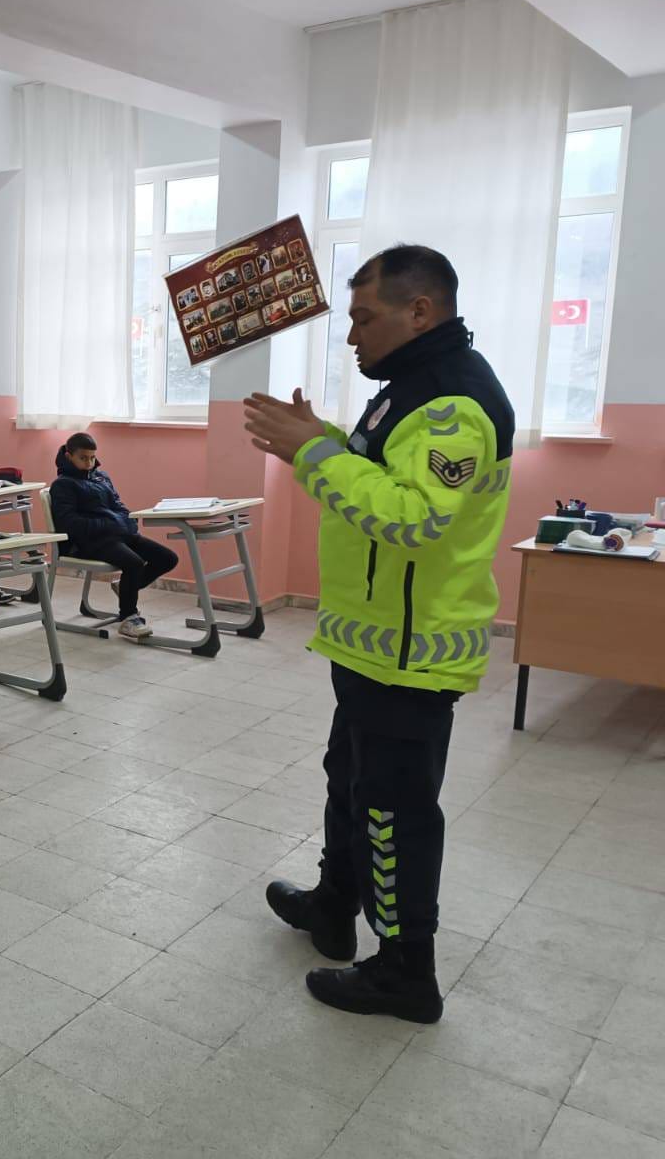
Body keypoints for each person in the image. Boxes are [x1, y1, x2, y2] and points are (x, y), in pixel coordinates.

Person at [242, 245, 513, 1024]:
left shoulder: (453, 403)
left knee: (393, 808)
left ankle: (404, 971)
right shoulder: (408, 388)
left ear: (420, 310)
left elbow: (415, 518)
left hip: (412, 653)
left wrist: (316, 452)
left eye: (365, 317)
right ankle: (335, 906)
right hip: (372, 642)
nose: (352, 334)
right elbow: (380, 473)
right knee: (350, 782)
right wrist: (320, 435)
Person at [49, 433, 177, 639]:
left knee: (168, 558)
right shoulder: (63, 485)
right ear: (68, 455)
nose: (89, 463)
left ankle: (125, 587)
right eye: (83, 458)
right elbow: (69, 523)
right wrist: (110, 525)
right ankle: (128, 618)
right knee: (134, 564)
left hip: (115, 534)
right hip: (87, 542)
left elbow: (118, 506)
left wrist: (129, 522)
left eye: (92, 457)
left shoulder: (102, 477)